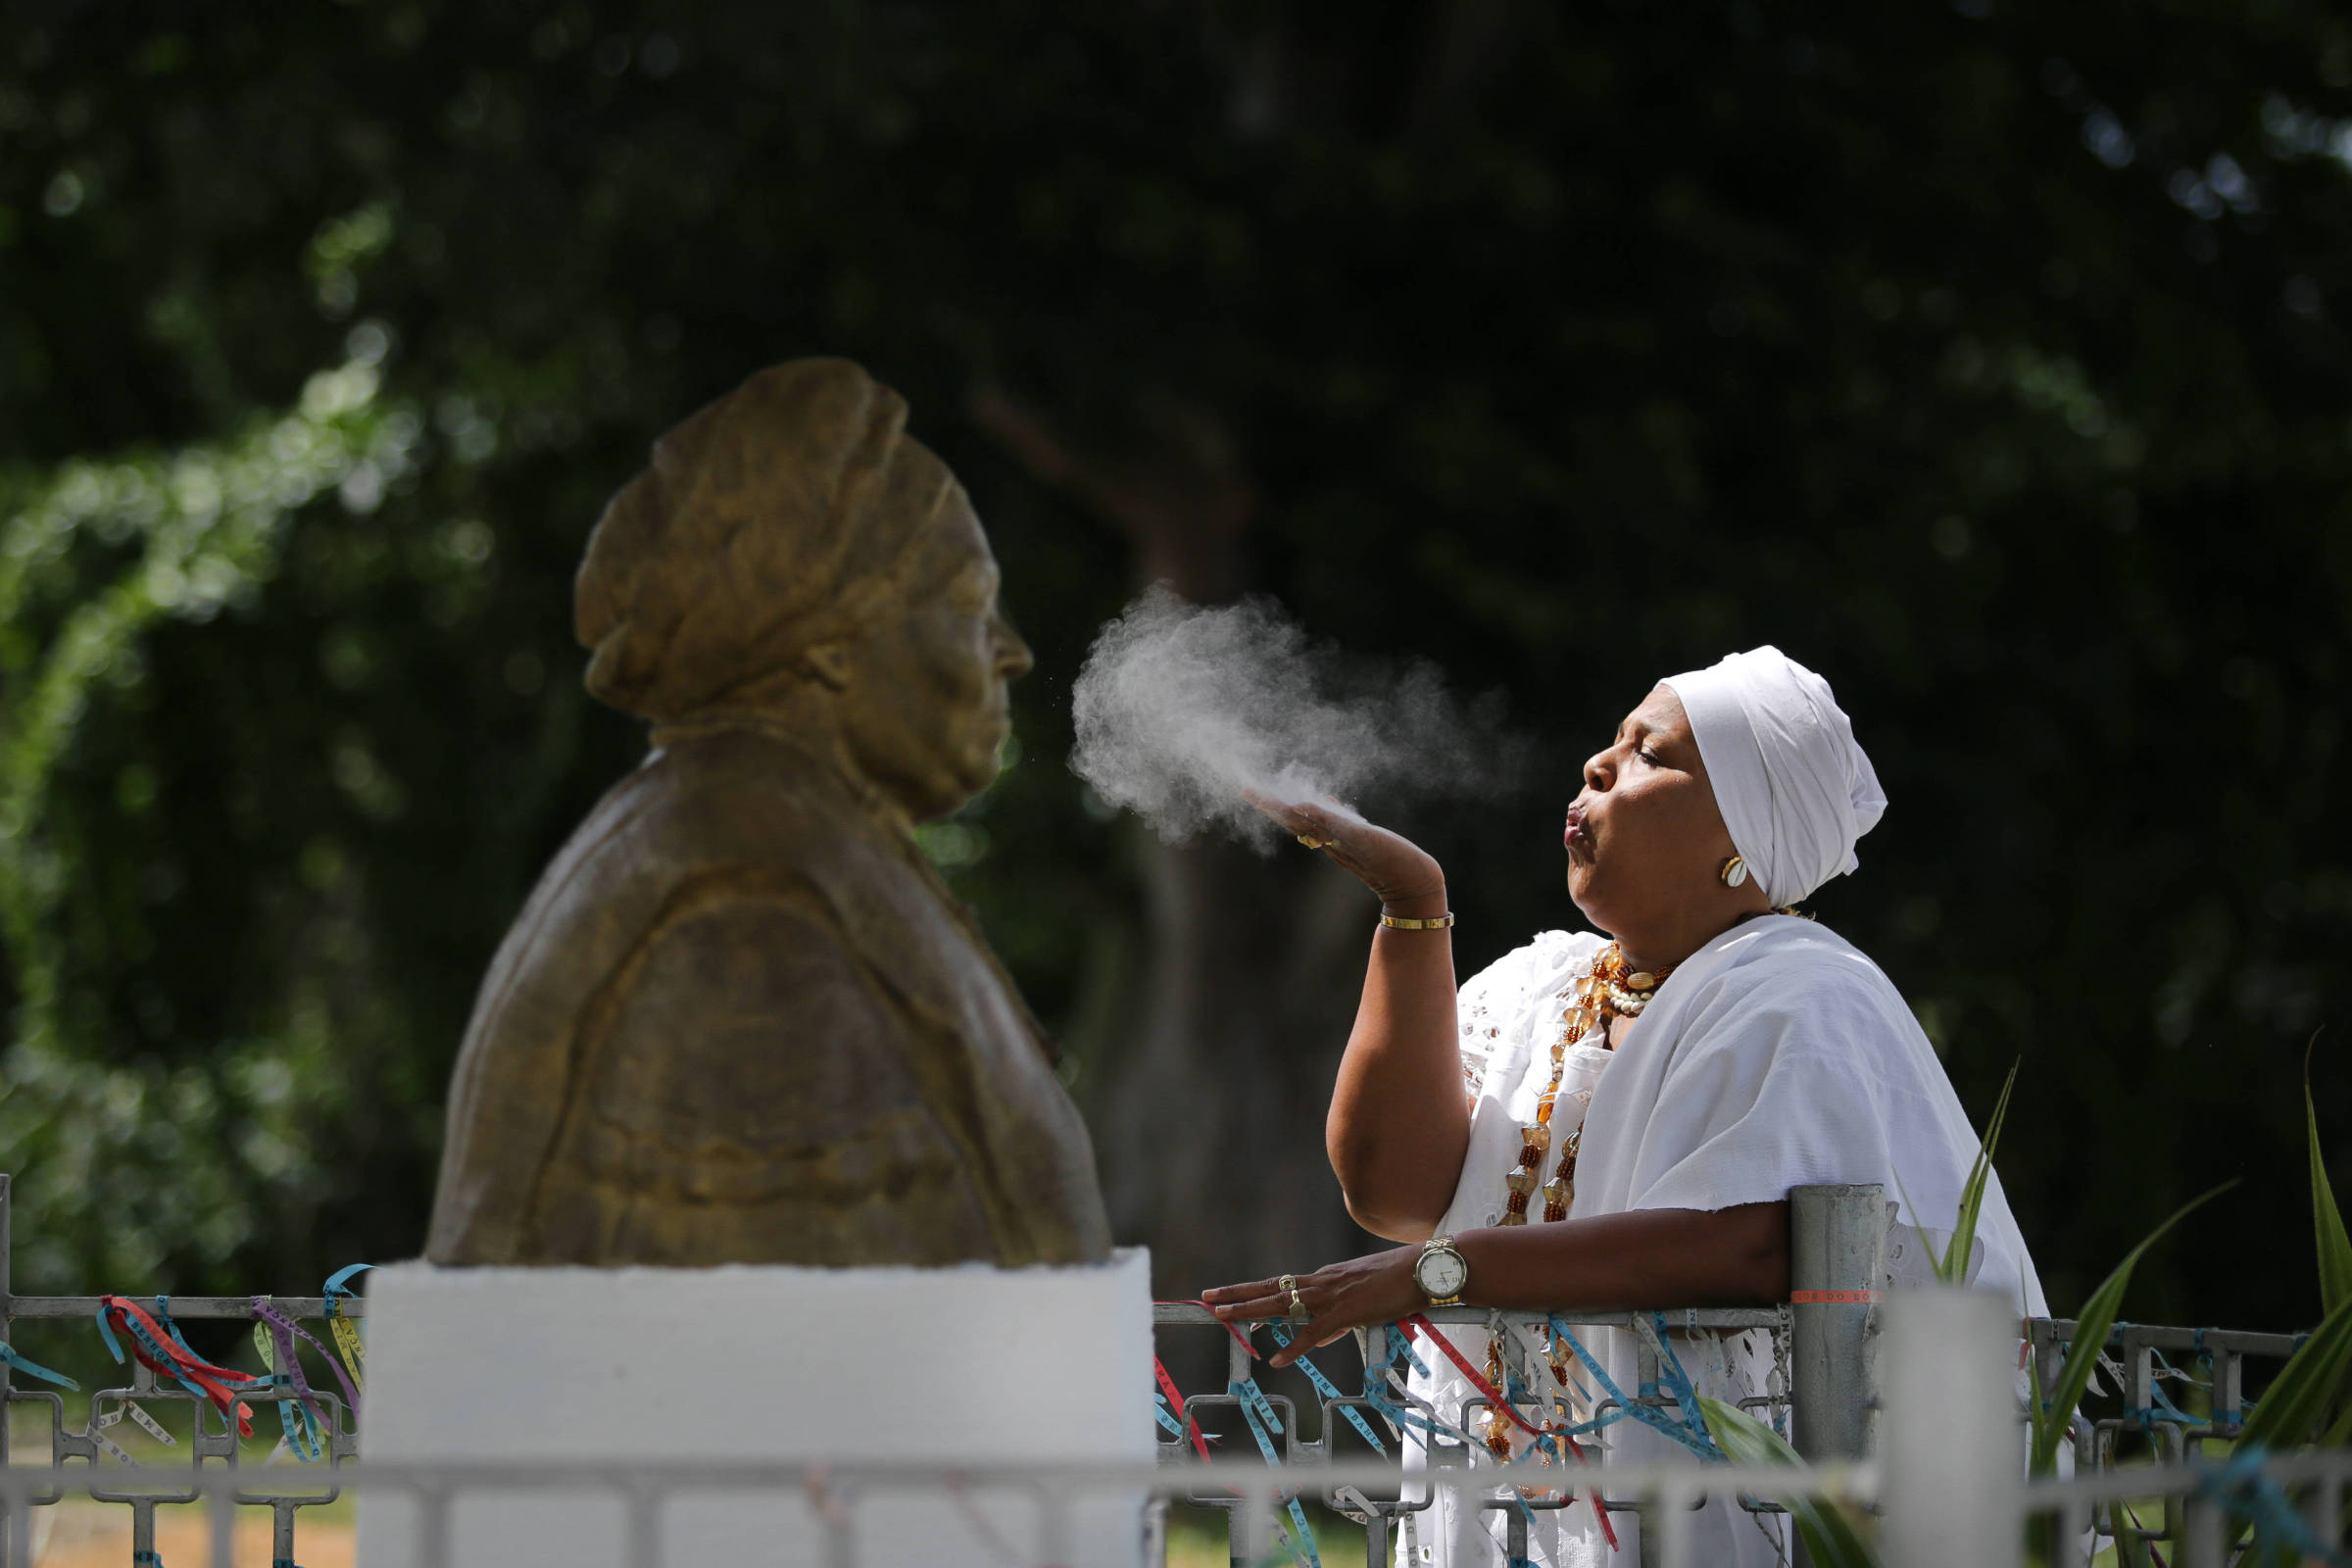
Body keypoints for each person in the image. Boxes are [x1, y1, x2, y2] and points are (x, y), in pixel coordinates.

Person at [1204, 647, 2045, 1567]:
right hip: (1512, 1503)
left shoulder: (1806, 991)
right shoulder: (1541, 983)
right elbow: (1394, 1193)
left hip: (1710, 1503)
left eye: (1653, 755)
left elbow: (1751, 1241)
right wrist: (1416, 904)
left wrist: (1435, 1274)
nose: (1598, 767)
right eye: (1611, 744)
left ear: (1743, 845)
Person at [426, 358, 1111, 1268]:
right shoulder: (751, 911)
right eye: (968, 603)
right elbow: (835, 1352)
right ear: (826, 642)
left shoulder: (785, 845)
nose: (1012, 653)